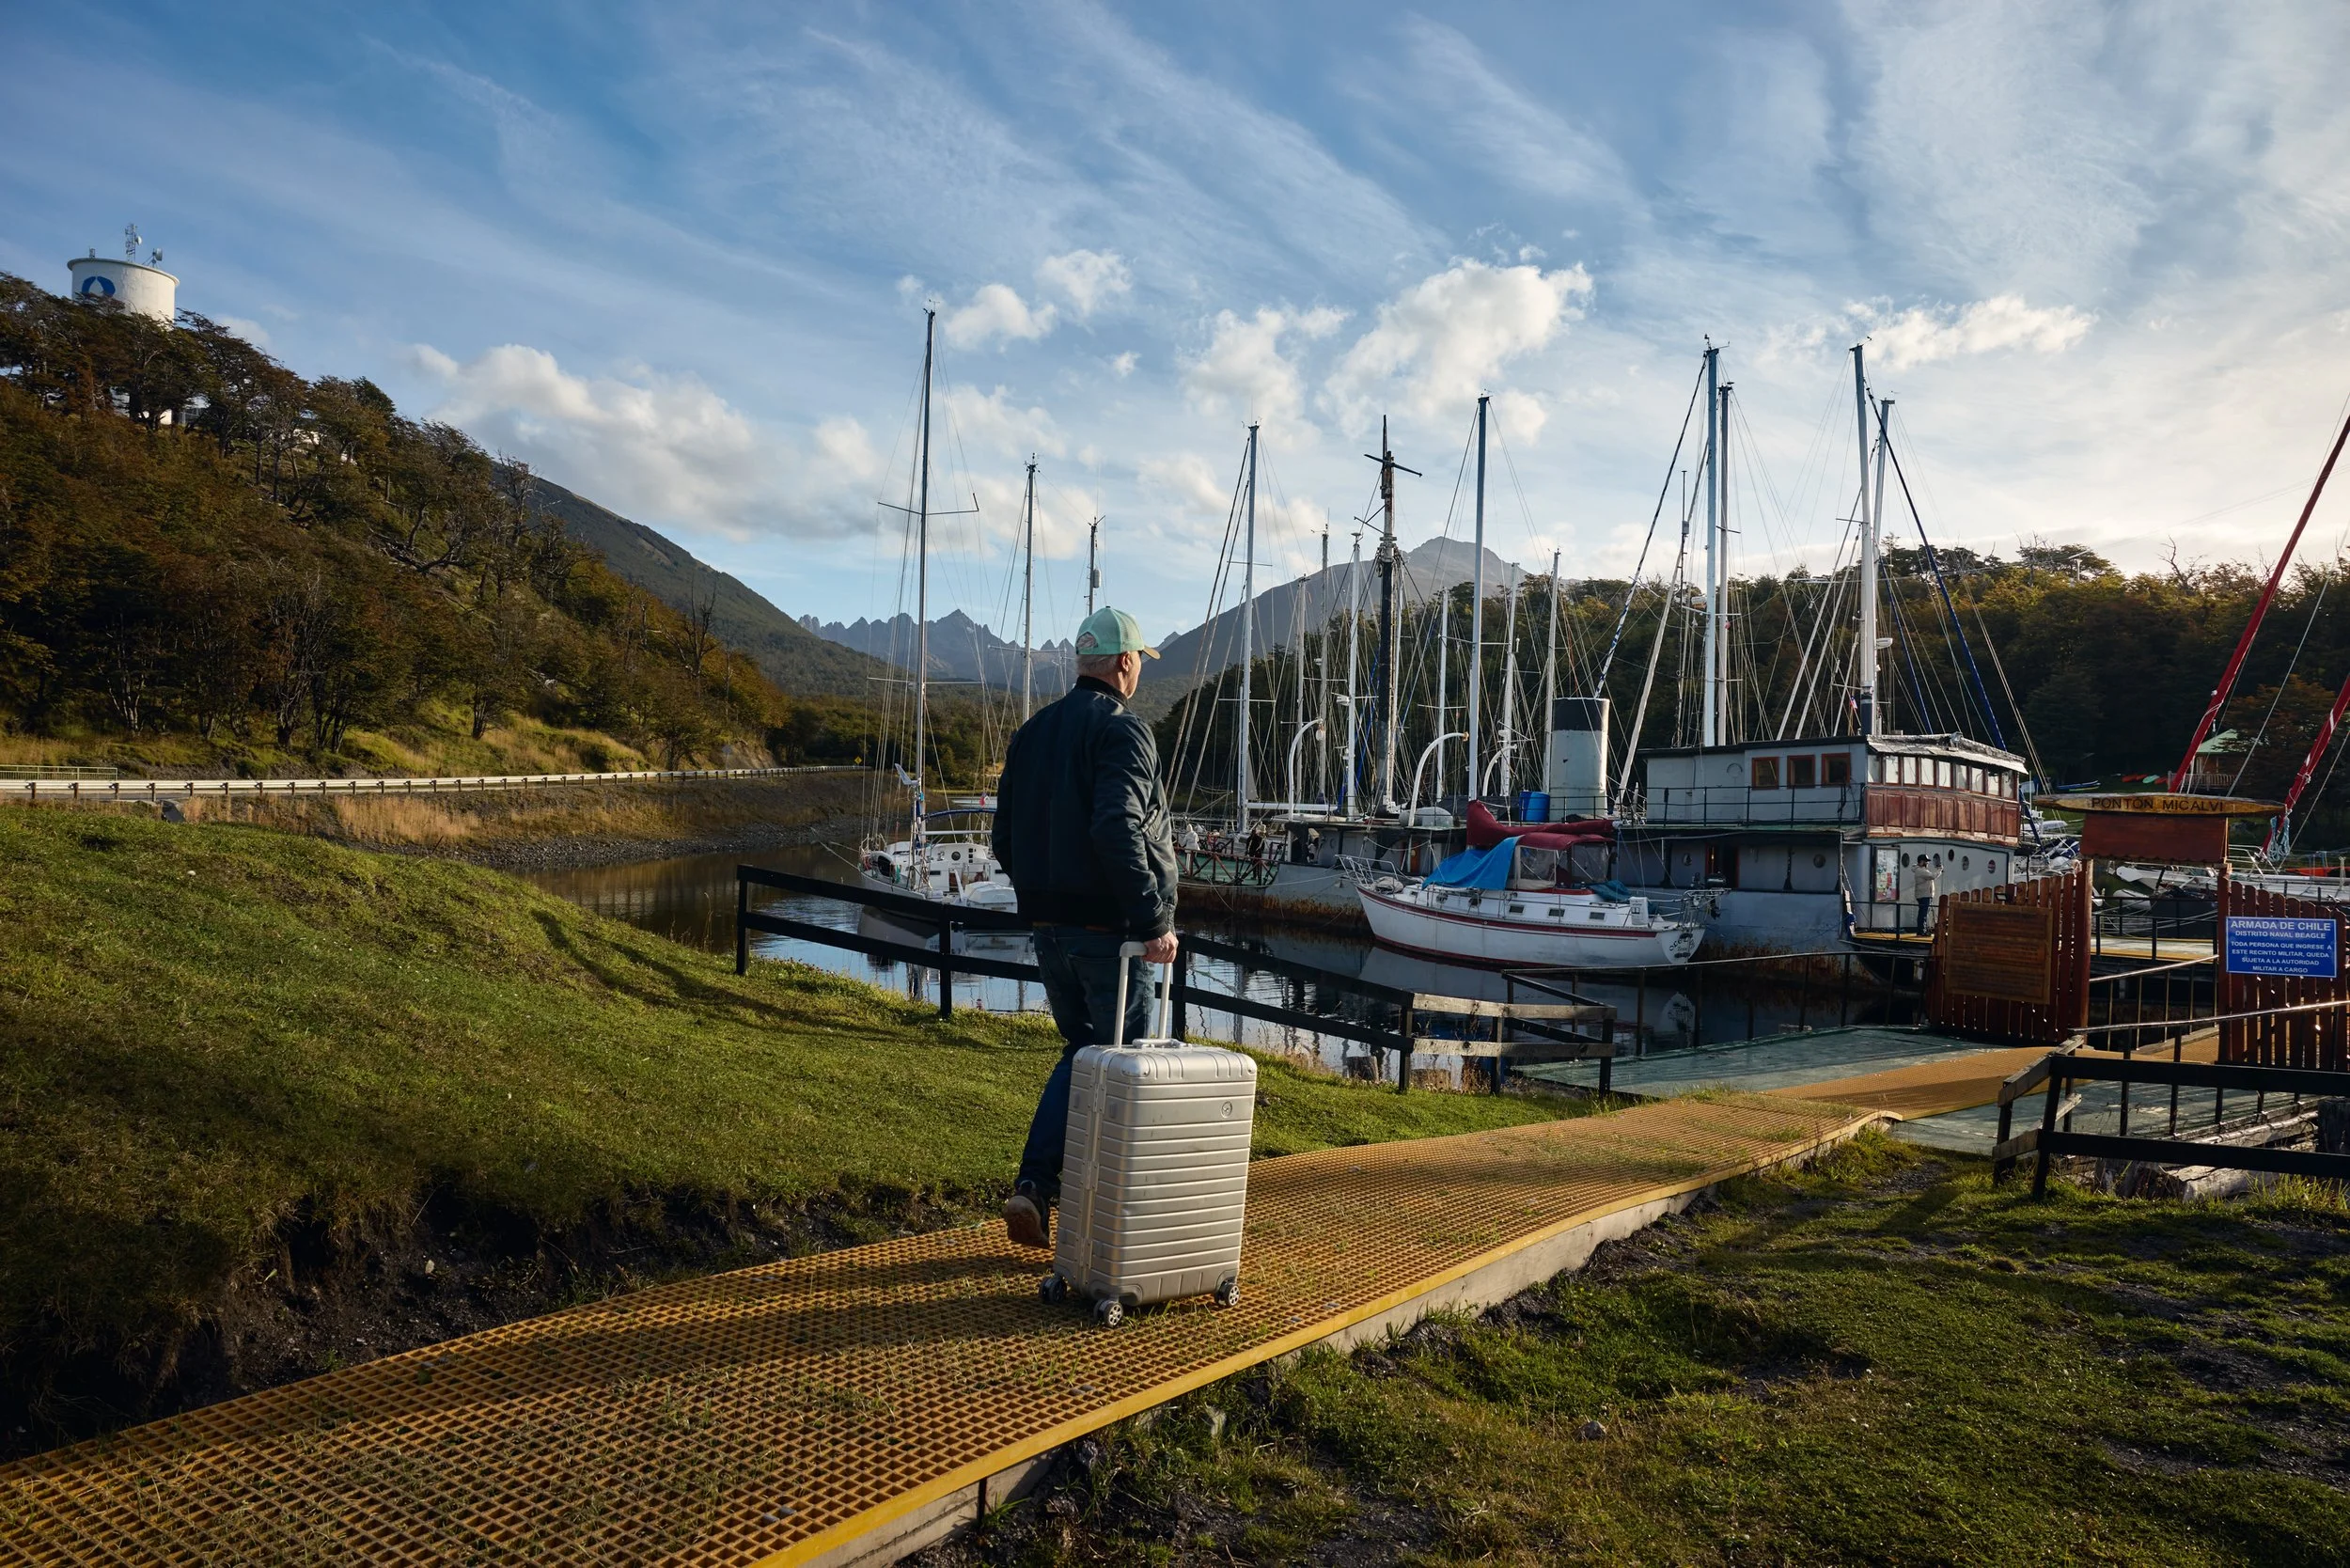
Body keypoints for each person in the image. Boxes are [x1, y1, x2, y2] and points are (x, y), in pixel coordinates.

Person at [991, 605, 1180, 1249]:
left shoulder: (1034, 731)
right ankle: (1053, 1189)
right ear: (1126, 663)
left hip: (1048, 928)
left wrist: (1041, 898)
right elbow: (1116, 826)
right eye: (1139, 664)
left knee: (1084, 1052)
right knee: (1112, 1055)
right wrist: (1153, 918)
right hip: (1109, 933)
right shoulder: (1123, 732)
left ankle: (1053, 1192)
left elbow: (1003, 838)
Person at [1913, 853, 1942, 933]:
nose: (1928, 863)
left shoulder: (1920, 870)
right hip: (1924, 895)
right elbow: (1932, 876)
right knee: (1923, 914)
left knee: (1923, 913)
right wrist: (1940, 870)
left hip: (1924, 895)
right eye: (1926, 861)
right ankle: (1922, 931)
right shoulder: (1921, 871)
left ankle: (1922, 930)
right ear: (1922, 862)